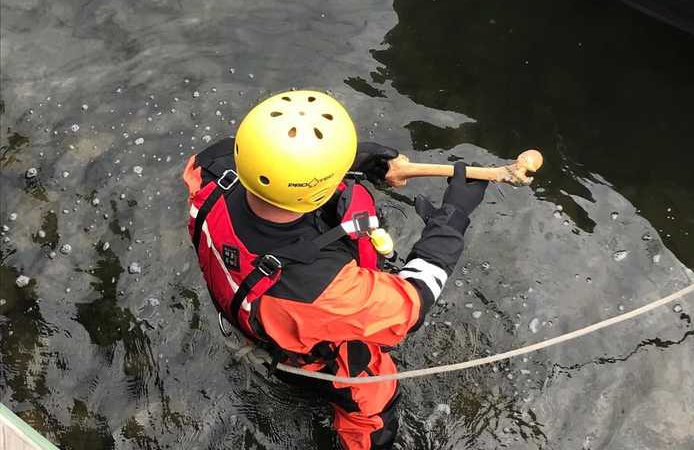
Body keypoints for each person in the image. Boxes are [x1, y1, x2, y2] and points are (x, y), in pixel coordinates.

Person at [182, 89, 487, 450]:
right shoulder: (321, 287)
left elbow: (278, 166)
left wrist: (364, 159)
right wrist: (450, 220)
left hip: (247, 305)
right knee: (373, 404)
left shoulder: (210, 169)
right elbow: (412, 303)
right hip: (310, 350)